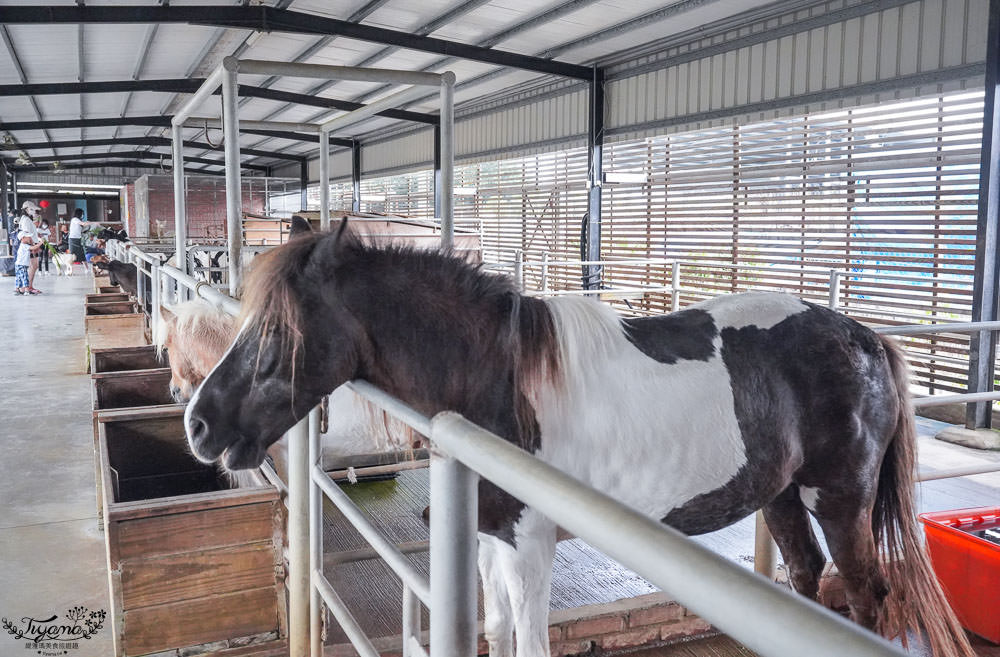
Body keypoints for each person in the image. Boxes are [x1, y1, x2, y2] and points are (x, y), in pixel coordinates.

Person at [17, 202, 43, 294]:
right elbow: (27, 235)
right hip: (31, 245)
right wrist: (34, 246)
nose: (34, 211)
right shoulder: (26, 220)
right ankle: (28, 286)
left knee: (33, 266)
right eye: (32, 209)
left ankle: (25, 286)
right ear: (27, 209)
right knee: (33, 266)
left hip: (32, 244)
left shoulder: (26, 219)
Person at [13, 225, 41, 295]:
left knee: (19, 277)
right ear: (22, 238)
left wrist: (32, 242)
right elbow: (34, 247)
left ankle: (17, 289)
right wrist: (41, 242)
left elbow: (32, 249)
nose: (29, 238)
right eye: (28, 237)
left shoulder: (23, 246)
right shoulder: (25, 246)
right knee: (25, 277)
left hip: (18, 264)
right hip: (22, 265)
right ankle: (26, 290)